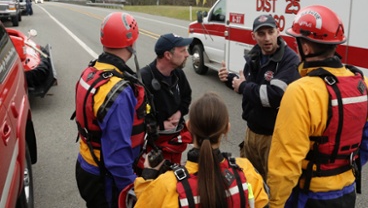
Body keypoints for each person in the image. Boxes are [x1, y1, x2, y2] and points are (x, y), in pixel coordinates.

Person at [267, 5, 368, 208]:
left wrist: (275, 204)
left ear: (306, 48)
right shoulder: (364, 85)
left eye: (296, 42)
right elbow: (366, 143)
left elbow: (286, 162)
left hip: (308, 196)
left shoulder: (300, 91)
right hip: (347, 192)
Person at [134, 91, 269, 208]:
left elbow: (146, 202)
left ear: (189, 126)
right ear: (227, 128)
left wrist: (148, 176)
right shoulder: (246, 171)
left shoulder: (169, 185)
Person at [73, 12, 150, 207]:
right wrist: (132, 190)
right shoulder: (120, 92)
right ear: (131, 43)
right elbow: (117, 155)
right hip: (105, 177)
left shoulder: (91, 71)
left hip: (85, 164)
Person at [218, 14, 300, 180]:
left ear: (278, 31)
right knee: (250, 182)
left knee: (275, 185)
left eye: (271, 31)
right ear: (253, 36)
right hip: (251, 132)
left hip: (274, 137)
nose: (267, 38)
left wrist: (243, 86)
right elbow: (250, 86)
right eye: (261, 34)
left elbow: (274, 96)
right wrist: (230, 79)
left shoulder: (289, 60)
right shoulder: (254, 56)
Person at [140, 33, 193, 164]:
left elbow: (186, 96)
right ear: (168, 55)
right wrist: (161, 125)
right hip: (153, 146)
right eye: (183, 50)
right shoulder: (144, 78)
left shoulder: (178, 74)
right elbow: (138, 115)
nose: (187, 54)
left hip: (175, 143)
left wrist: (179, 113)